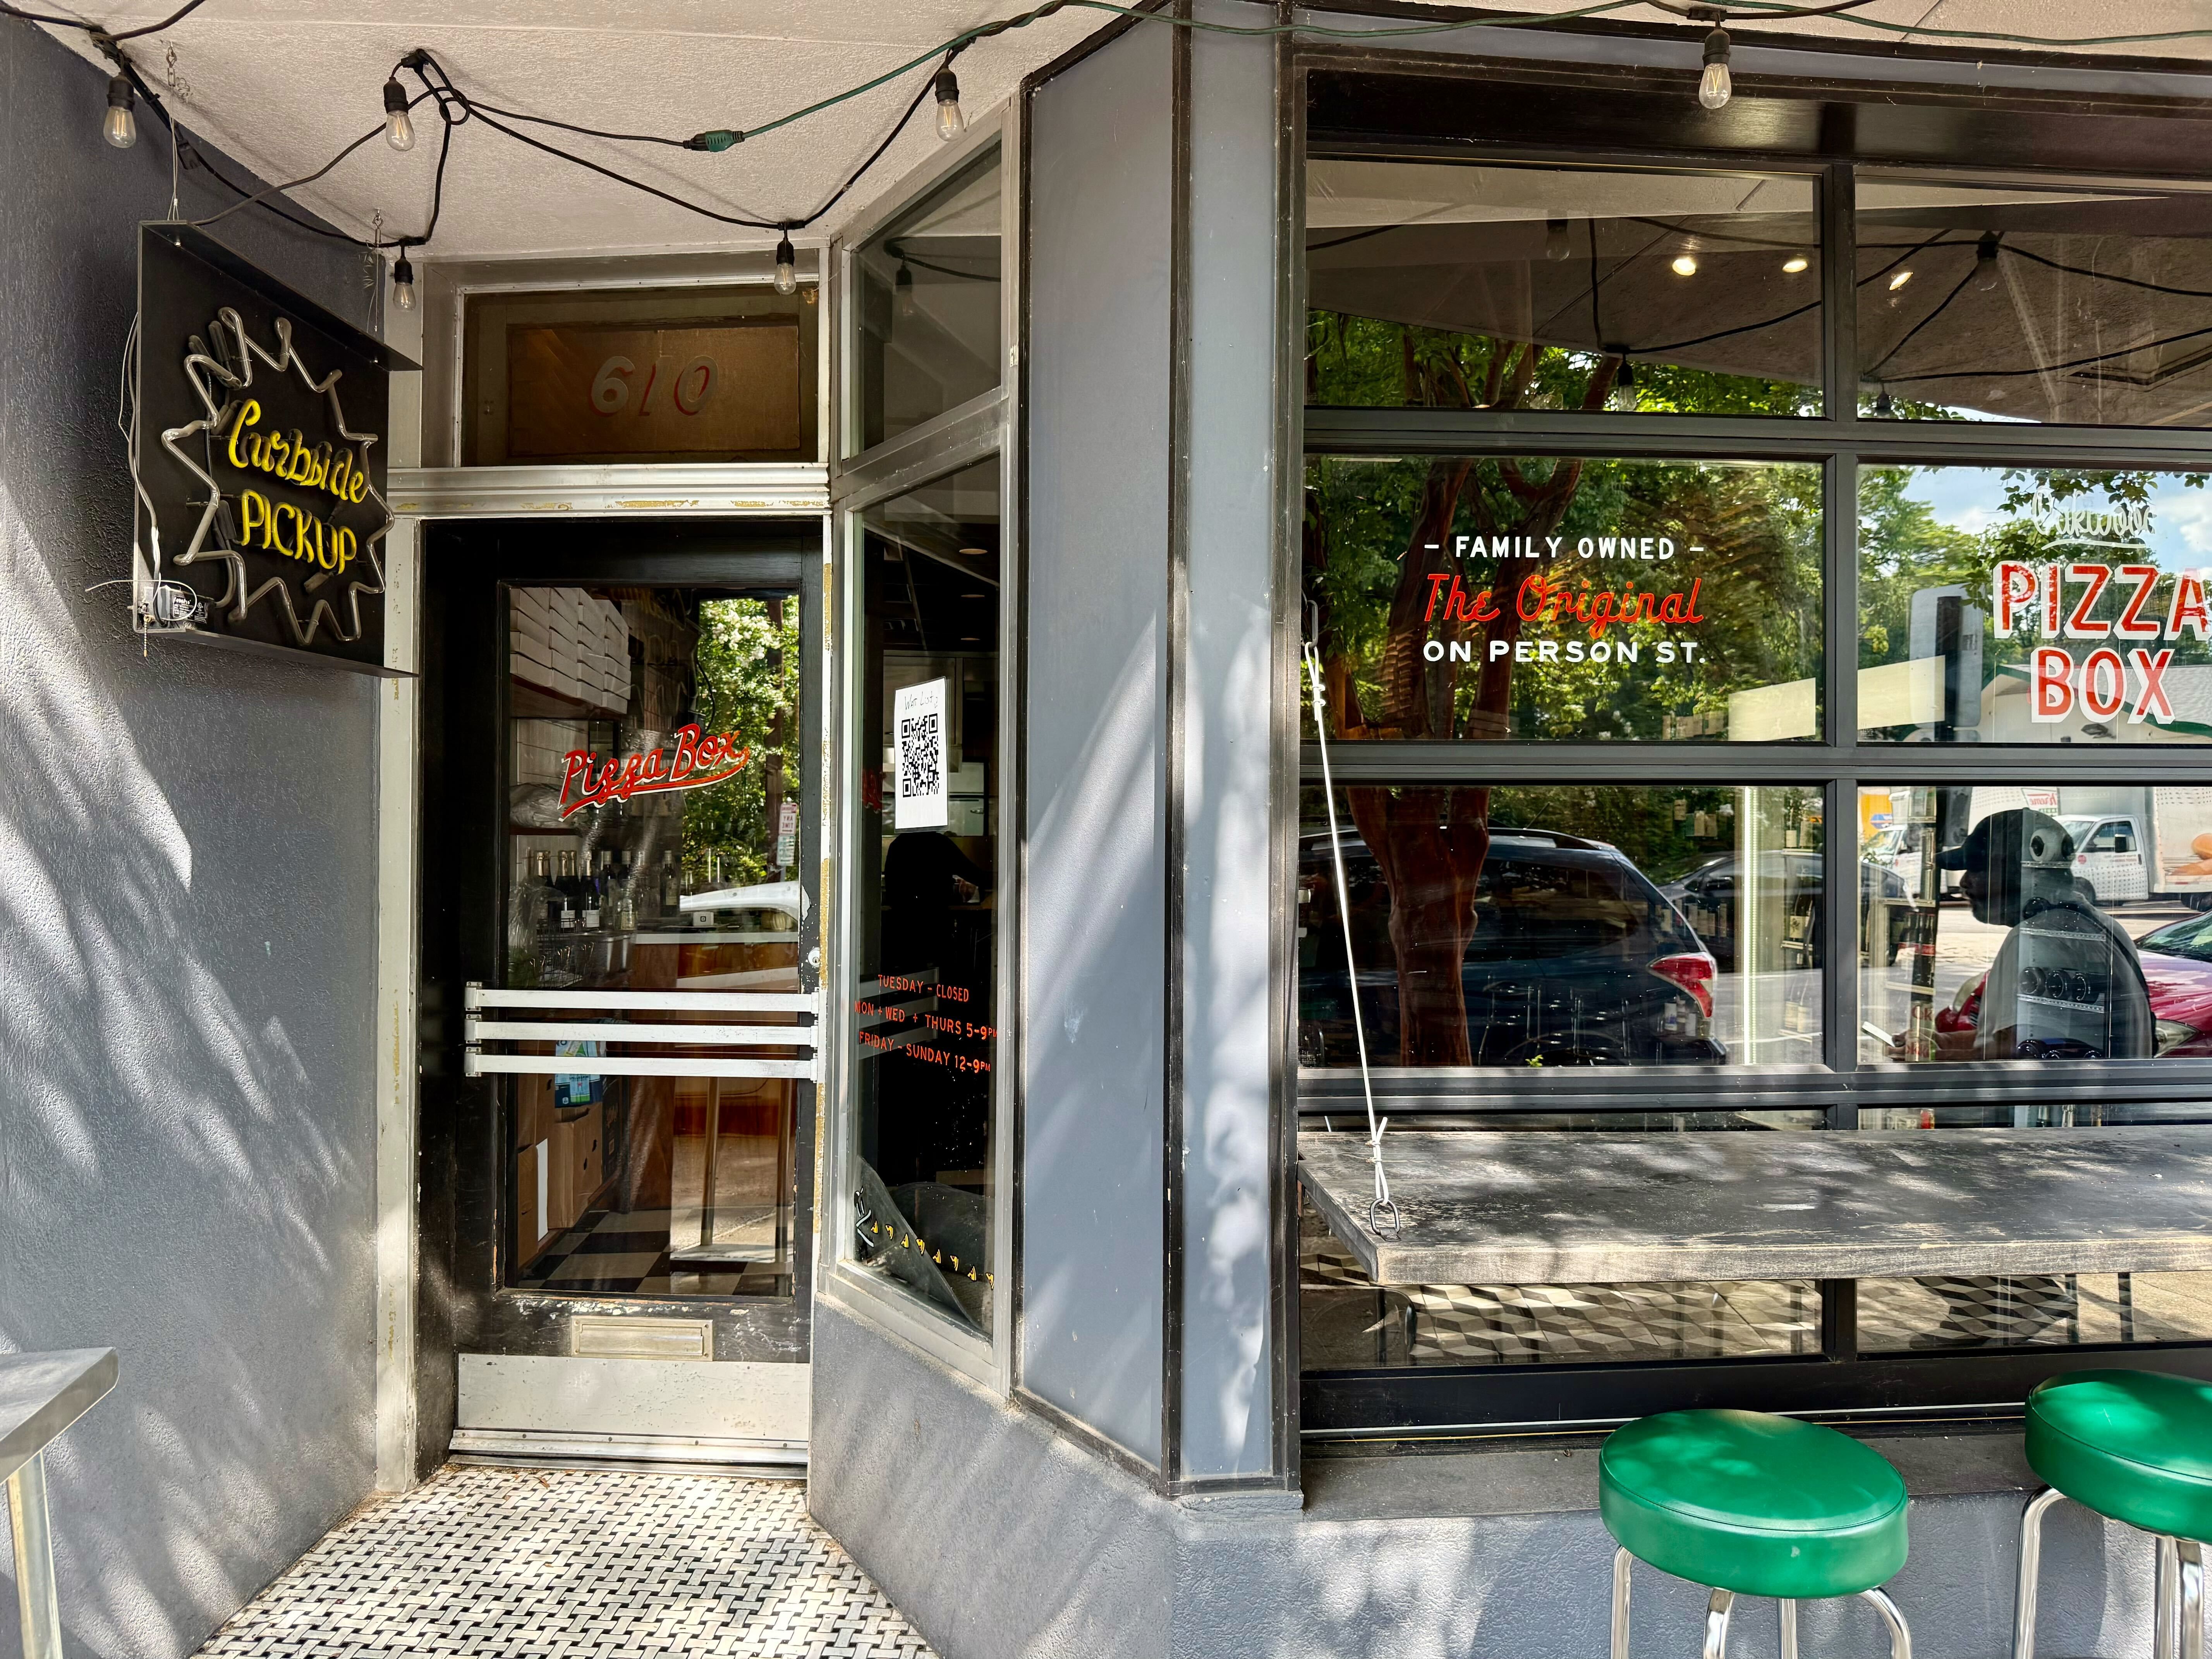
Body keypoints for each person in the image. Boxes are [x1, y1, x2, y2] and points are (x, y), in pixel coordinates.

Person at [1913, 808, 2153, 1062]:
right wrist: (1945, 1042)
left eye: (1977, 869)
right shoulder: (2102, 925)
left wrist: (1934, 1060)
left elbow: (2016, 1052)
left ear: (2019, 873)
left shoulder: (2037, 937)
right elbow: (2019, 1038)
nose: (1964, 882)